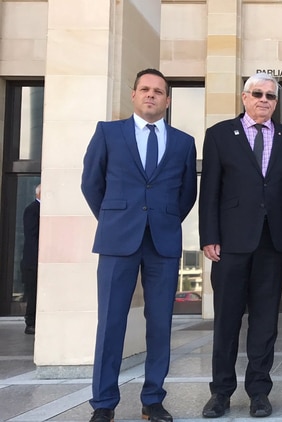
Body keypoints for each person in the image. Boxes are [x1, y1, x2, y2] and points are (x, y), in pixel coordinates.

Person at [81, 68, 198, 422]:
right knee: (111, 322)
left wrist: (162, 219)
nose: (151, 95)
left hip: (162, 242)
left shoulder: (183, 142)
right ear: (133, 95)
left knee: (160, 323)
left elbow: (186, 195)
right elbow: (91, 183)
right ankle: (103, 404)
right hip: (118, 240)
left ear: (168, 100)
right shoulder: (108, 132)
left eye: (158, 91)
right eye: (145, 89)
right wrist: (116, 218)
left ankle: (153, 399)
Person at [198, 72, 282, 419]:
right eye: (257, 94)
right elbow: (209, 190)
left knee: (265, 322)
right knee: (226, 321)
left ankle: (259, 391)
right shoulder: (218, 135)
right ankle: (221, 393)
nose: (263, 100)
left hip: (272, 243)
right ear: (244, 97)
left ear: (276, 102)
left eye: (270, 96)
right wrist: (209, 236)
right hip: (229, 243)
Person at [22, 184, 41, 335]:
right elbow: (32, 238)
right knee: (33, 293)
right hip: (33, 261)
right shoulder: (32, 210)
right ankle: (30, 323)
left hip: (37, 260)